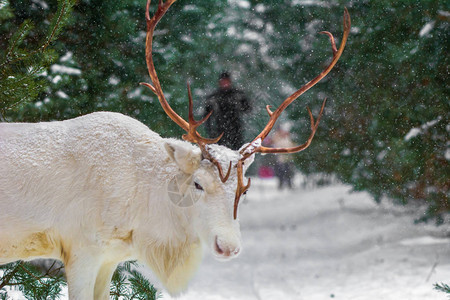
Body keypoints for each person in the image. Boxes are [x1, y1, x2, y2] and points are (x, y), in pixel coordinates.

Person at [204, 72, 251, 150]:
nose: (225, 83)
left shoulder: (237, 95)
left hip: (236, 130)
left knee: (237, 154)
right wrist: (210, 132)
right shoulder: (214, 97)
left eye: (226, 81)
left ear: (230, 82)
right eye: (223, 81)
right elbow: (206, 117)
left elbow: (247, 109)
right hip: (219, 131)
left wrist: (241, 104)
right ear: (219, 82)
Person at [270, 124, 295, 189]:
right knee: (281, 171)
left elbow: (291, 146)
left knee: (288, 171)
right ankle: (281, 184)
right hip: (281, 158)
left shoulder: (287, 139)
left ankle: (289, 184)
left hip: (288, 157)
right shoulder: (277, 137)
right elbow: (275, 145)